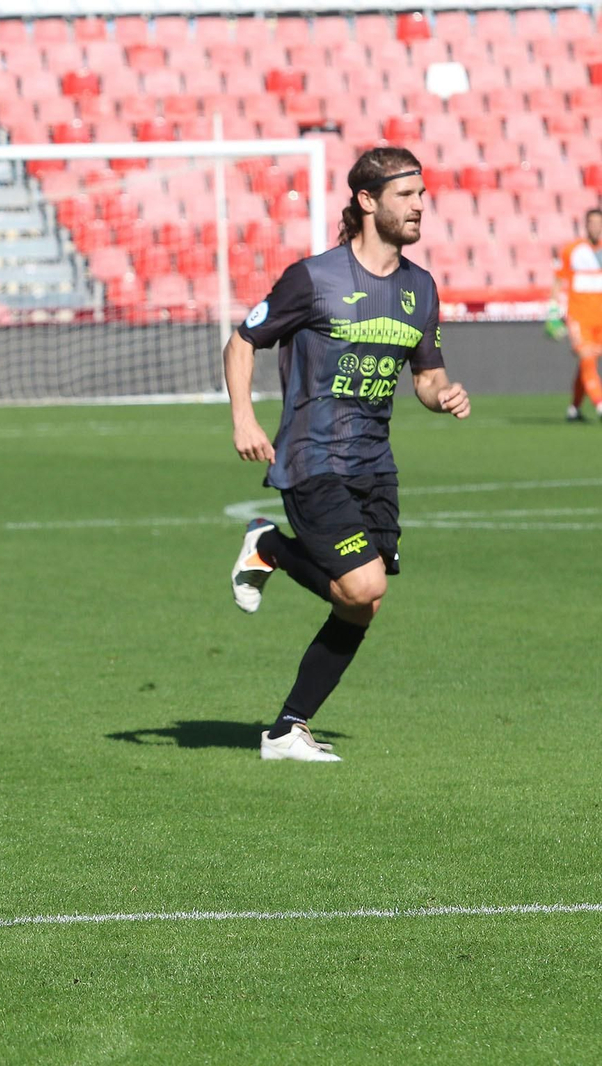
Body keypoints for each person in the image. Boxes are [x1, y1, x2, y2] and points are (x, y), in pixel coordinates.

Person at [223, 146, 470, 762]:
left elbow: (427, 377)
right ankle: (271, 546)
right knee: (359, 585)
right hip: (313, 456)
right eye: (406, 196)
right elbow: (242, 340)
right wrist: (243, 416)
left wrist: (444, 396)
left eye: (421, 195)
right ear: (367, 201)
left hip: (375, 466)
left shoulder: (420, 288)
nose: (420, 206)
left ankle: (287, 729)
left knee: (364, 600)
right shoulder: (314, 278)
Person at [551, 208, 602, 422]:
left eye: (599, 223)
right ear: (585, 225)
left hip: (599, 318)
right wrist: (553, 310)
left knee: (586, 364)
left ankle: (574, 408)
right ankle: (600, 404)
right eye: (592, 222)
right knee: (587, 359)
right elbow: (559, 280)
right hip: (578, 317)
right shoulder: (572, 250)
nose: (595, 227)